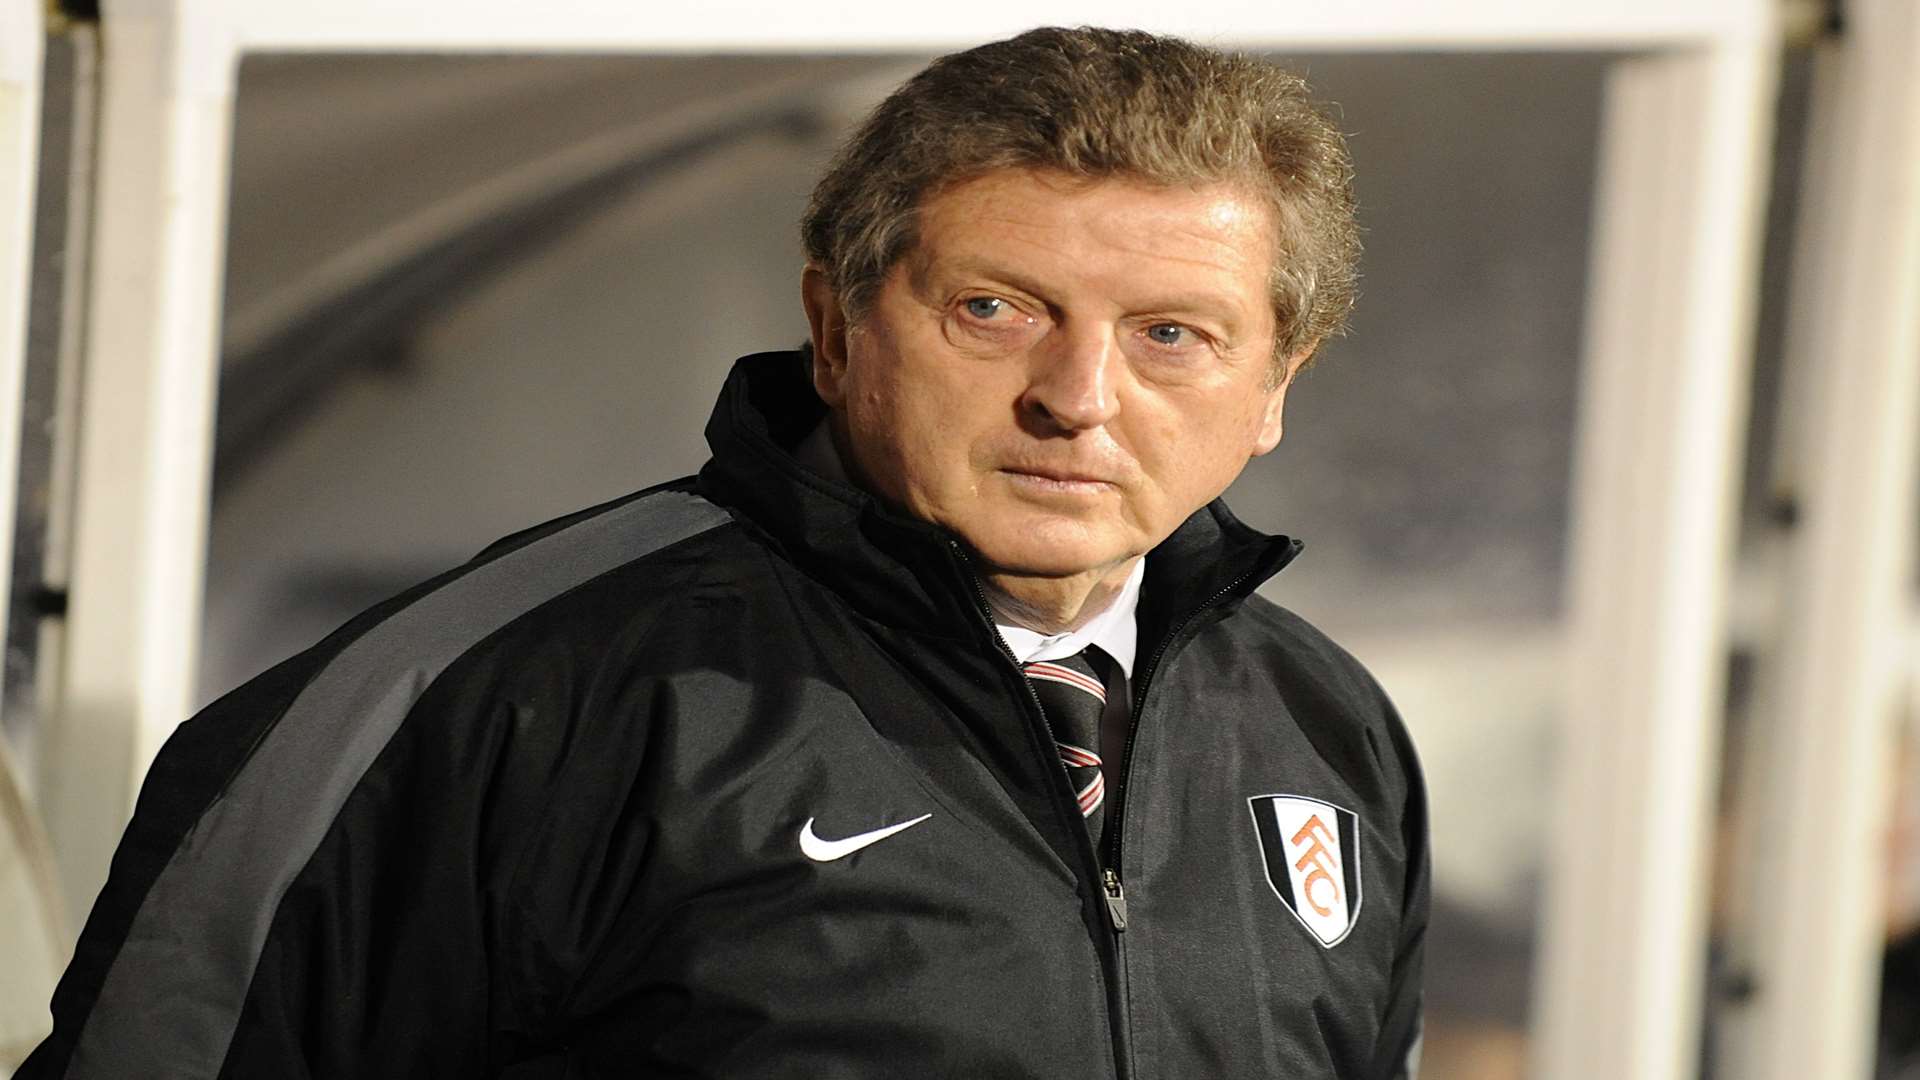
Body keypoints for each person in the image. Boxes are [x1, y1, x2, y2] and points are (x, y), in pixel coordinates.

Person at [24, 26, 1427, 1079]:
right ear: (834, 326)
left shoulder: (1326, 731)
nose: (1079, 396)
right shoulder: (474, 704)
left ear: (1275, 388)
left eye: (1171, 335)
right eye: (997, 310)